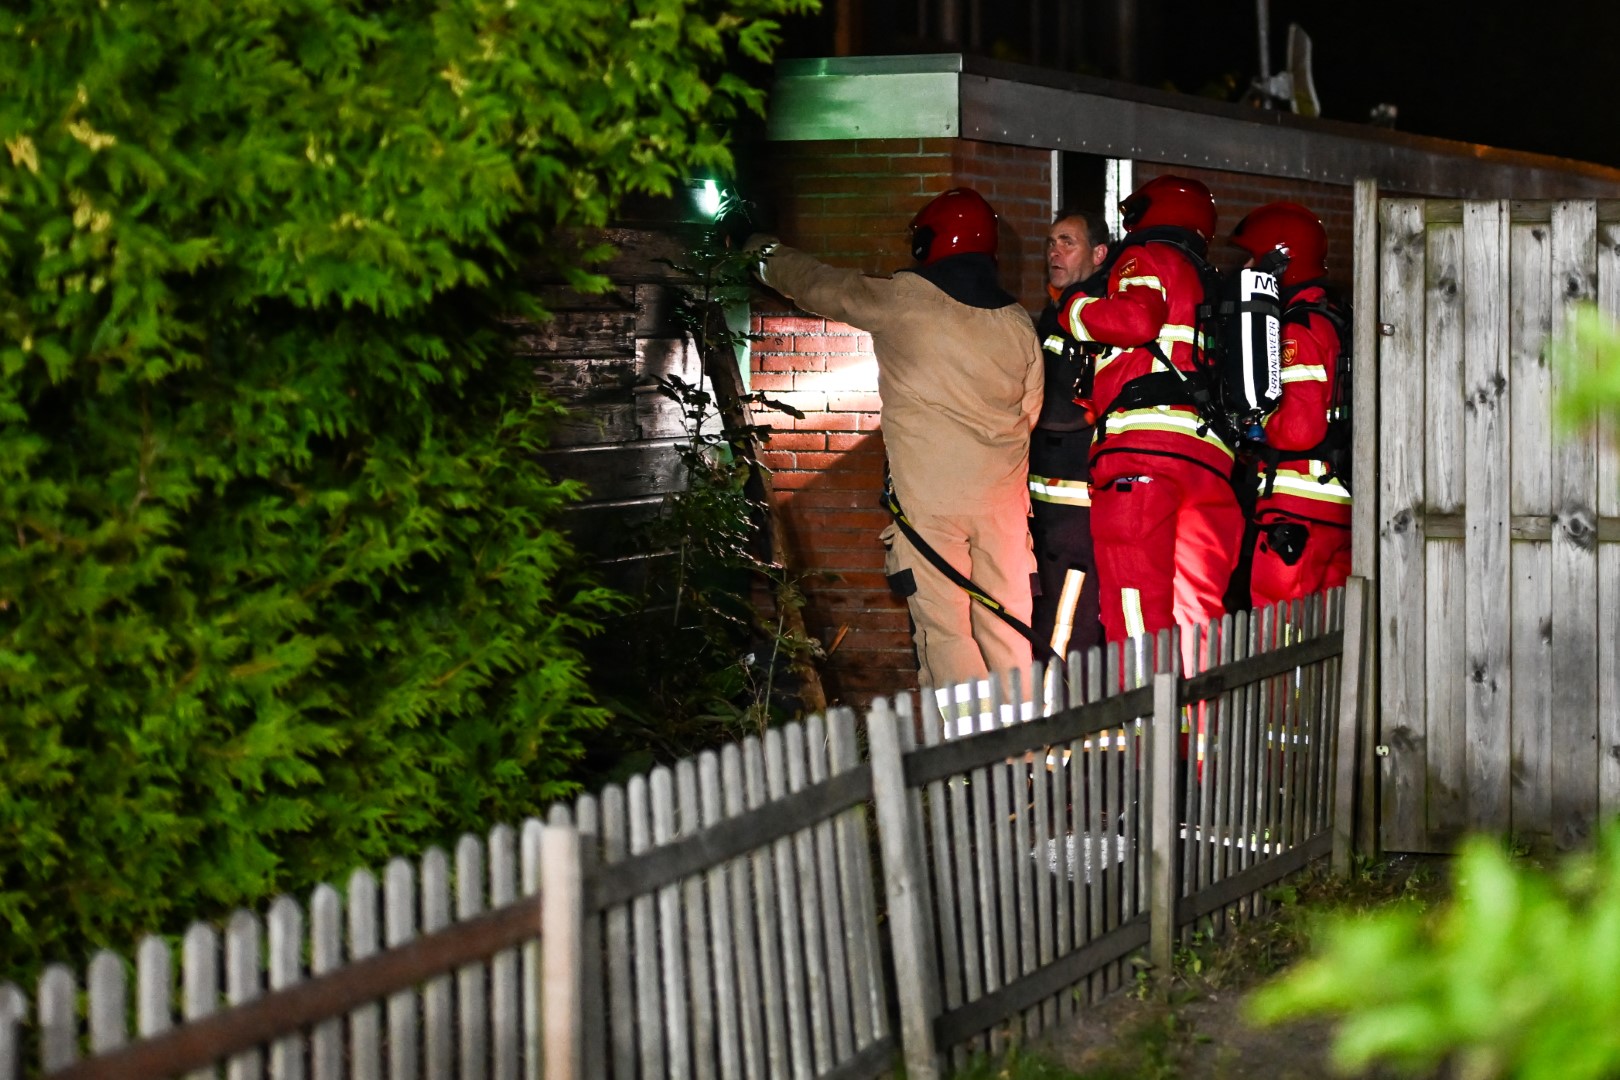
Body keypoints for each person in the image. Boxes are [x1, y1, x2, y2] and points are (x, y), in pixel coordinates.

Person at [747, 188, 1044, 695]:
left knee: (947, 635)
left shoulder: (906, 300)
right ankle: (1022, 762)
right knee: (1008, 627)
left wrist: (762, 256)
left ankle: (969, 762)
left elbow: (823, 286)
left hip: (931, 511)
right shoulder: (1018, 322)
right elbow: (1030, 410)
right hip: (1004, 508)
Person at [1057, 175, 1243, 648]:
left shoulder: (1144, 257)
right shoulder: (1212, 284)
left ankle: (1146, 723)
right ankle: (1204, 723)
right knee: (1200, 614)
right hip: (1210, 463)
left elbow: (1136, 320)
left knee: (1135, 608)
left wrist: (1074, 309)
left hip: (1143, 457)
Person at [1228, 202, 1352, 611]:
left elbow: (1300, 429)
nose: (1246, 267)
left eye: (1253, 257)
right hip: (1340, 507)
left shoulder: (1298, 326)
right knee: (1331, 637)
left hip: (1297, 512)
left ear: (1280, 262)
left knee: (1279, 634)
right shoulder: (1338, 318)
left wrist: (1255, 423)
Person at [1029, 209, 1111, 664]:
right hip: (1049, 495)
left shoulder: (1094, 314)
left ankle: (1057, 716)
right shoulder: (1053, 312)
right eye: (1050, 242)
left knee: (1068, 610)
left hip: (1075, 495)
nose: (1054, 252)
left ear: (1099, 254)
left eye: (1068, 242)